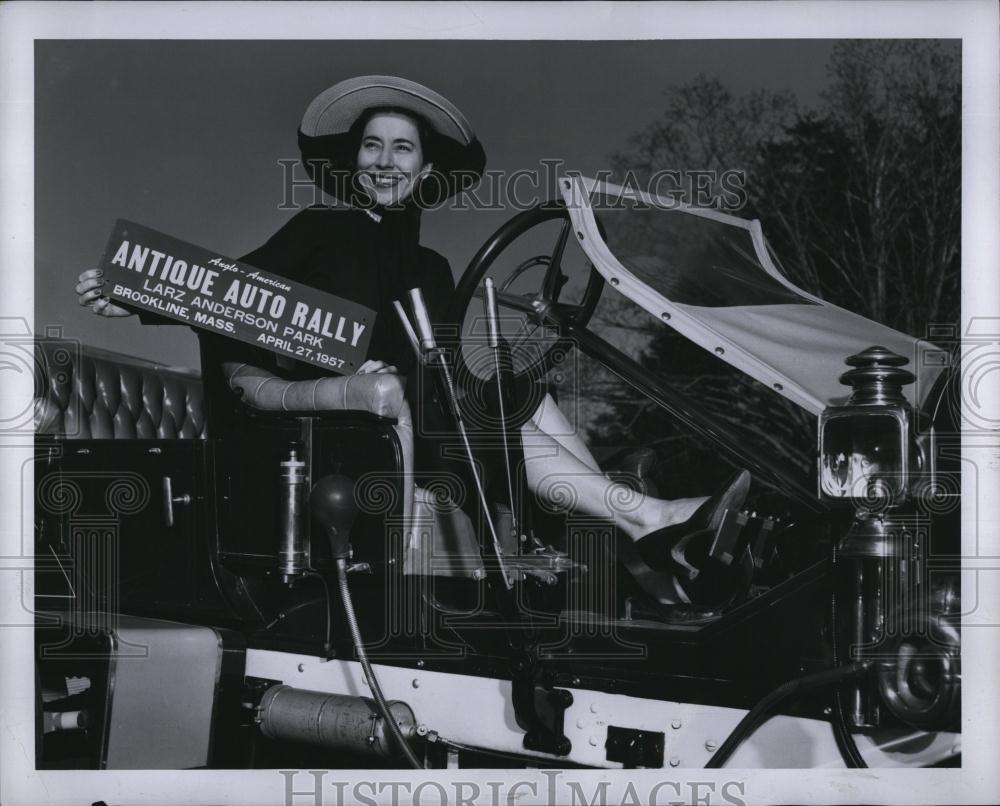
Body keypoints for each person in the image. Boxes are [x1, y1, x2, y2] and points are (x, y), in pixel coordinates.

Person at [76, 75, 749, 602]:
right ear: (354, 160)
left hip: (437, 421)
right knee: (483, 413)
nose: (384, 161)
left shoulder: (434, 266)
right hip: (361, 436)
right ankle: (653, 528)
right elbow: (232, 293)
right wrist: (132, 296)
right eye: (372, 146)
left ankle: (648, 540)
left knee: (523, 398)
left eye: (403, 148)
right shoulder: (320, 231)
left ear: (425, 170)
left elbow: (450, 361)